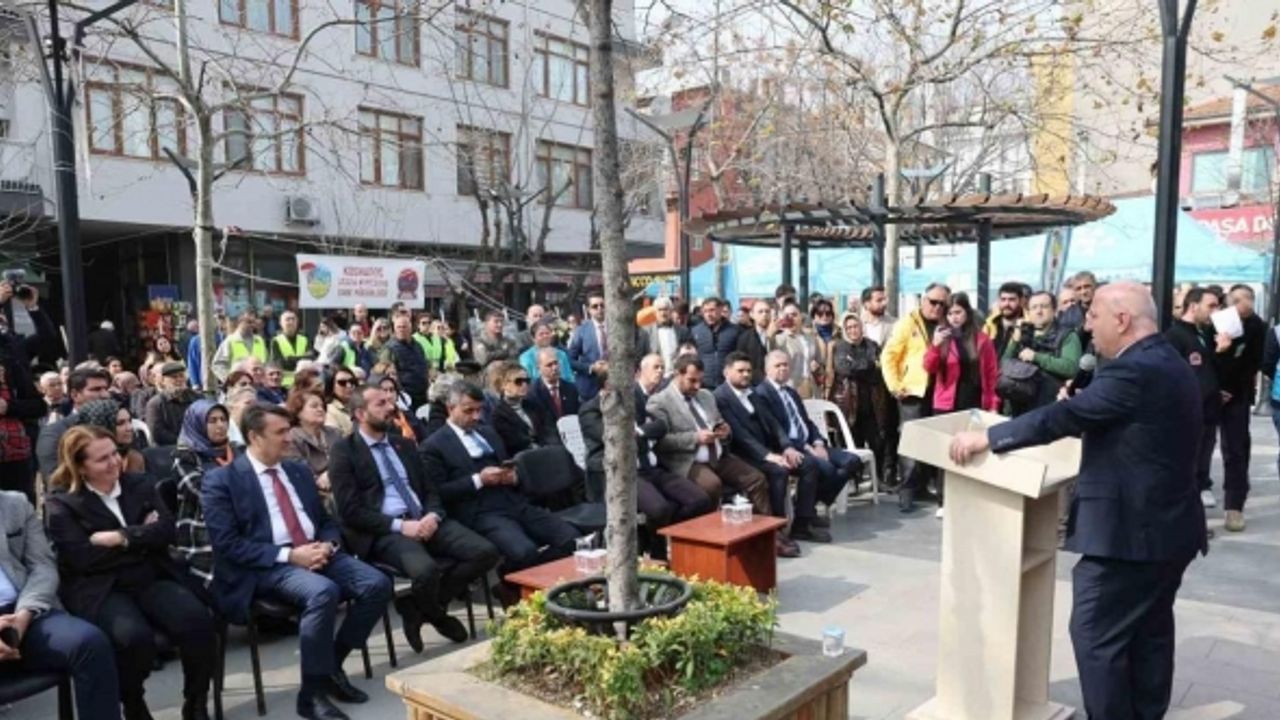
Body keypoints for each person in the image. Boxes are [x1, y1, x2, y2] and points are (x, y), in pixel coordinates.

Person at [949, 282, 1207, 720]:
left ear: (1122, 320)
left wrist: (989, 438)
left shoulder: (1133, 370)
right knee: (1149, 633)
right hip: (1169, 529)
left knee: (1096, 634)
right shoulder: (1167, 359)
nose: (1086, 326)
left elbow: (1064, 417)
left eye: (1094, 317)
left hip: (1130, 538)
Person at [202, 404, 392, 720]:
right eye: (280, 432)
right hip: (268, 565)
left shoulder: (297, 471)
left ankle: (329, 665)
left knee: (377, 584)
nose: (289, 438)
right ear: (254, 436)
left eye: (289, 429)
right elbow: (228, 544)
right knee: (323, 592)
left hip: (316, 551)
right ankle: (311, 695)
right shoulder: (222, 481)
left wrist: (328, 545)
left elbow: (326, 520)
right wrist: (291, 555)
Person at [46, 426, 216, 720]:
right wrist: (143, 535)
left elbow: (166, 530)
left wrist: (122, 537)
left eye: (115, 453)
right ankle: (134, 703)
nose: (114, 462)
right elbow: (82, 558)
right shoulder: (61, 503)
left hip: (150, 575)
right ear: (80, 467)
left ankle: (196, 702)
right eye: (102, 459)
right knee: (133, 638)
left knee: (197, 621)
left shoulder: (140, 483)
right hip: (102, 587)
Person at [330, 385, 499, 652]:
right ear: (360, 413)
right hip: (387, 531)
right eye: (381, 403)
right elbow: (351, 511)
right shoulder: (344, 451)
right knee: (426, 571)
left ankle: (417, 608)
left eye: (390, 401)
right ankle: (437, 615)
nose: (390, 407)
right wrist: (401, 526)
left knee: (485, 552)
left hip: (425, 519)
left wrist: (433, 514)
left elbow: (429, 489)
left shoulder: (403, 444)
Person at [419, 383, 578, 575]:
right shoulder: (434, 445)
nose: (476, 417)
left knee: (570, 538)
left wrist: (513, 477)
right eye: (469, 411)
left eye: (479, 410)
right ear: (451, 409)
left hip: (513, 501)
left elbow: (507, 463)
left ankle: (526, 578)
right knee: (524, 551)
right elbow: (439, 492)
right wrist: (479, 480)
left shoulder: (488, 432)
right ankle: (513, 581)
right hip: (480, 511)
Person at [0, 490, 123, 720]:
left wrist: (23, 617)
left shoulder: (14, 504)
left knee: (90, 644)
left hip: (25, 610)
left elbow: (43, 567)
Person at [580, 362, 711, 537]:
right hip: (620, 473)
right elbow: (614, 437)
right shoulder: (590, 411)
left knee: (700, 500)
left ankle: (674, 539)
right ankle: (657, 549)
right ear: (608, 385)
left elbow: (660, 425)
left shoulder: (632, 401)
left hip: (649, 467)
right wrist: (634, 433)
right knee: (659, 509)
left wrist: (639, 431)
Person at [713, 353, 813, 557]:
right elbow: (739, 435)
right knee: (778, 472)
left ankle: (797, 523)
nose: (746, 375)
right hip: (742, 454)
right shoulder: (721, 396)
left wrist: (786, 446)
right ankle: (775, 529)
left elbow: (773, 423)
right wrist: (767, 455)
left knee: (805, 465)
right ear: (726, 372)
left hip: (766, 449)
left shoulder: (752, 393)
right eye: (740, 371)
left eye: (748, 371)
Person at [647, 356, 770, 514]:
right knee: (712, 485)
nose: (697, 386)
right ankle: (712, 534)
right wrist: (695, 438)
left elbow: (718, 421)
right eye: (692, 380)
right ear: (677, 375)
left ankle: (766, 533)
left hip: (718, 456)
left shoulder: (706, 396)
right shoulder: (659, 402)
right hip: (689, 461)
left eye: (700, 380)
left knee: (756, 479)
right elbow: (661, 442)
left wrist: (724, 431)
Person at [754, 351, 859, 533]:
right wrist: (806, 447)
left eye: (785, 365)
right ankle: (804, 519)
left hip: (811, 443)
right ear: (766, 369)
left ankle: (805, 507)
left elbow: (807, 422)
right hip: (787, 448)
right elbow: (773, 432)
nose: (783, 369)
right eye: (777, 366)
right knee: (826, 469)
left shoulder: (791, 392)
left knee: (851, 462)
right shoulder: (762, 394)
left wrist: (818, 442)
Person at [883, 283, 949, 512]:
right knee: (911, 441)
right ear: (923, 300)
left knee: (932, 442)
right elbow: (889, 356)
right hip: (912, 391)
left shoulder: (946, 324)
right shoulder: (906, 323)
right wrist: (895, 385)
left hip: (939, 391)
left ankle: (922, 486)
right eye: (933, 302)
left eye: (943, 303)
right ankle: (907, 491)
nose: (938, 307)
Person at [1166, 287, 1230, 513]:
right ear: (1193, 306)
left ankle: (1201, 490)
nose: (1216, 311)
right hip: (1189, 410)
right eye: (1211, 306)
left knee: (1204, 453)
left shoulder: (1203, 334)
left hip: (1209, 408)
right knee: (1188, 459)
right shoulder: (1175, 336)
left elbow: (1206, 366)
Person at [1216, 284, 1267, 532]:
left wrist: (1231, 391)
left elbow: (1253, 364)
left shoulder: (1257, 326)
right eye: (1237, 299)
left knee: (1236, 448)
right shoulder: (1216, 322)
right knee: (1196, 447)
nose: (1243, 303)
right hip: (1208, 393)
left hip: (1237, 395)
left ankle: (1234, 504)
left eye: (1248, 298)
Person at [174, 400, 236, 589]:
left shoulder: (237, 451)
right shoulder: (185, 458)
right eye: (212, 420)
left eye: (223, 419)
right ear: (197, 423)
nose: (220, 425)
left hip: (243, 516)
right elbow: (204, 493)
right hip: (205, 526)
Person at [829, 313, 890, 481]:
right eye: (848, 328)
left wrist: (859, 365)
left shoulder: (872, 345)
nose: (853, 330)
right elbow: (844, 369)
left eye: (855, 326)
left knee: (877, 442)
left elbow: (878, 369)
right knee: (852, 443)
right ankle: (854, 480)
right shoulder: (839, 347)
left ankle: (877, 479)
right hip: (848, 403)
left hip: (872, 402)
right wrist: (867, 366)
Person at [1002, 291, 1083, 416]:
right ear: (1028, 312)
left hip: (1051, 409)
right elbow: (1004, 365)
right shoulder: (1022, 334)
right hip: (1019, 407)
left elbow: (1071, 368)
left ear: (1054, 310)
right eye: (1034, 307)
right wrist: (1015, 340)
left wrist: (1036, 357)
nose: (1039, 311)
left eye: (1044, 306)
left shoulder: (1067, 336)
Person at [37, 367, 112, 480]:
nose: (105, 395)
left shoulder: (117, 424)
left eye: (106, 389)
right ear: (75, 395)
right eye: (96, 389)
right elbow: (55, 479)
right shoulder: (55, 433)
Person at [0, 326, 45, 502]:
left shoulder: (13, 371)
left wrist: (9, 407)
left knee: (23, 509)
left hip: (16, 459)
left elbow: (39, 406)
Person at [488, 361, 558, 455]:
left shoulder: (533, 404)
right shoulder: (498, 415)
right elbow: (515, 443)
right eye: (518, 381)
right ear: (503, 384)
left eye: (527, 381)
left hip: (548, 453)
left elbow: (550, 429)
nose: (524, 385)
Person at [285, 390, 342, 498]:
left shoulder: (335, 433)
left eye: (322, 406)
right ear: (298, 412)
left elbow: (348, 461)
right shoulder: (292, 437)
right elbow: (300, 471)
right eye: (314, 406)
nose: (320, 409)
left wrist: (331, 474)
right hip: (314, 493)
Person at [76, 399, 147, 475]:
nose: (129, 428)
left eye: (129, 421)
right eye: (120, 423)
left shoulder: (135, 458)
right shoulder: (82, 464)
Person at [690, 297, 740, 390]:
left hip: (728, 383)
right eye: (705, 311)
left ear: (721, 310)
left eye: (712, 310)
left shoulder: (735, 331)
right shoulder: (695, 331)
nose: (708, 314)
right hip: (704, 384)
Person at [567, 293, 609, 401]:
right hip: (589, 387)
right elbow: (570, 360)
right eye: (595, 306)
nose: (599, 309)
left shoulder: (616, 328)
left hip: (614, 385)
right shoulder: (581, 331)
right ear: (589, 310)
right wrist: (591, 367)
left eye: (602, 305)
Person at [145, 362, 198, 446]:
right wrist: (182, 441)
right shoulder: (155, 404)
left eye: (181, 376)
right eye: (174, 377)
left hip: (197, 443)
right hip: (169, 448)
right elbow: (157, 433)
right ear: (163, 381)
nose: (179, 380)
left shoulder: (196, 398)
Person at [773, 303, 819, 399]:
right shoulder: (779, 339)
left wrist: (816, 365)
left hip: (811, 388)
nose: (791, 318)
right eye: (787, 316)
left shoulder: (811, 338)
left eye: (794, 315)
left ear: (800, 317)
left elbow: (819, 362)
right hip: (790, 388)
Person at [385, 315, 429, 411]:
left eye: (404, 327)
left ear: (410, 328)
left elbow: (424, 366)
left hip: (422, 394)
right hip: (406, 396)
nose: (401, 329)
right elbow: (390, 374)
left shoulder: (418, 346)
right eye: (398, 327)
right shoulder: (390, 348)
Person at [211, 309, 267, 383]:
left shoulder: (259, 340)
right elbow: (217, 365)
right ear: (240, 322)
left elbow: (265, 363)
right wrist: (230, 380)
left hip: (258, 386)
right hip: (239, 387)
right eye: (249, 322)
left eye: (253, 322)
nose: (252, 325)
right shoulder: (230, 341)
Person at [528, 345, 580, 421]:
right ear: (539, 368)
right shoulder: (533, 393)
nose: (555, 368)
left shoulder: (571, 389)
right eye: (549, 365)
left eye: (556, 363)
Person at [640, 297, 690, 374]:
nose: (663, 313)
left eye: (666, 309)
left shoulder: (682, 330)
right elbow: (640, 355)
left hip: (677, 375)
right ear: (655, 312)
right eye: (660, 310)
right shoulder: (646, 332)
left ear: (671, 311)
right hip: (654, 376)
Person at [735, 299, 776, 385]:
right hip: (755, 384)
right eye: (760, 312)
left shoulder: (779, 336)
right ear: (752, 315)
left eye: (767, 311)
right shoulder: (745, 338)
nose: (764, 314)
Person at [519, 322, 573, 386]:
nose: (545, 336)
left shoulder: (561, 354)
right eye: (541, 334)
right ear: (533, 338)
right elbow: (527, 381)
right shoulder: (526, 357)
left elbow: (570, 378)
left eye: (547, 333)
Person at [983, 282, 1026, 358]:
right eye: (1003, 299)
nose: (1006, 304)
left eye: (1012, 300)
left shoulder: (1028, 325)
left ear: (1021, 301)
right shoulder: (990, 324)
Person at [271, 311, 310, 389]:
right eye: (287, 319)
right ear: (281, 323)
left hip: (303, 383)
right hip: (285, 384)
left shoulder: (304, 339)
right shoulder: (276, 341)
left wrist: (290, 358)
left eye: (293, 319)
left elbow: (310, 360)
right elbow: (279, 363)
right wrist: (302, 359)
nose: (291, 322)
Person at [324, 366, 357, 437]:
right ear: (331, 385)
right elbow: (335, 440)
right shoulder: (329, 411)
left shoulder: (361, 406)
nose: (349, 386)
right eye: (342, 383)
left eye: (352, 382)